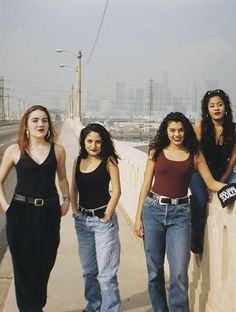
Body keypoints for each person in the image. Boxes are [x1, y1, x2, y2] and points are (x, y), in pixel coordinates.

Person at [134, 112, 227, 312]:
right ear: (166, 131)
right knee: (154, 272)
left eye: (181, 130)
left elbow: (211, 182)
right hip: (152, 212)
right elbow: (145, 184)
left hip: (181, 215)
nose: (177, 134)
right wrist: (138, 217)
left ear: (186, 130)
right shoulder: (155, 151)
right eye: (172, 130)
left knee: (178, 275)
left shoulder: (194, 153)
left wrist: (231, 188)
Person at [0, 105, 70, 312]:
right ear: (26, 125)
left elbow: (63, 177)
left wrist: (66, 199)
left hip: (48, 214)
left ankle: (36, 305)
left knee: (44, 264)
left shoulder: (58, 150)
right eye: (35, 120)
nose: (41, 124)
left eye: (44, 120)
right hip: (20, 214)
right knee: (23, 269)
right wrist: (7, 208)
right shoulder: (15, 150)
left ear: (49, 124)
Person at [70, 123, 121, 312]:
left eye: (98, 142)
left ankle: (110, 308)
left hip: (103, 223)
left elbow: (117, 190)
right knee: (89, 271)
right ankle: (93, 305)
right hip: (82, 221)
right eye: (90, 141)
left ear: (103, 143)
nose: (93, 145)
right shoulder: (78, 160)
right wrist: (75, 211)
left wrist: (107, 215)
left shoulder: (109, 161)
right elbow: (73, 188)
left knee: (106, 273)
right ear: (83, 142)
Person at [189, 89, 236, 254]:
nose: (216, 108)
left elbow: (233, 160)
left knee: (234, 189)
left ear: (226, 107)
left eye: (220, 105)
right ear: (207, 109)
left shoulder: (234, 129)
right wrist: (208, 182)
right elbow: (194, 157)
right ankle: (195, 237)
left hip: (224, 172)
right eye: (212, 106)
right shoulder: (200, 128)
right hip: (198, 173)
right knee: (200, 199)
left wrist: (221, 182)